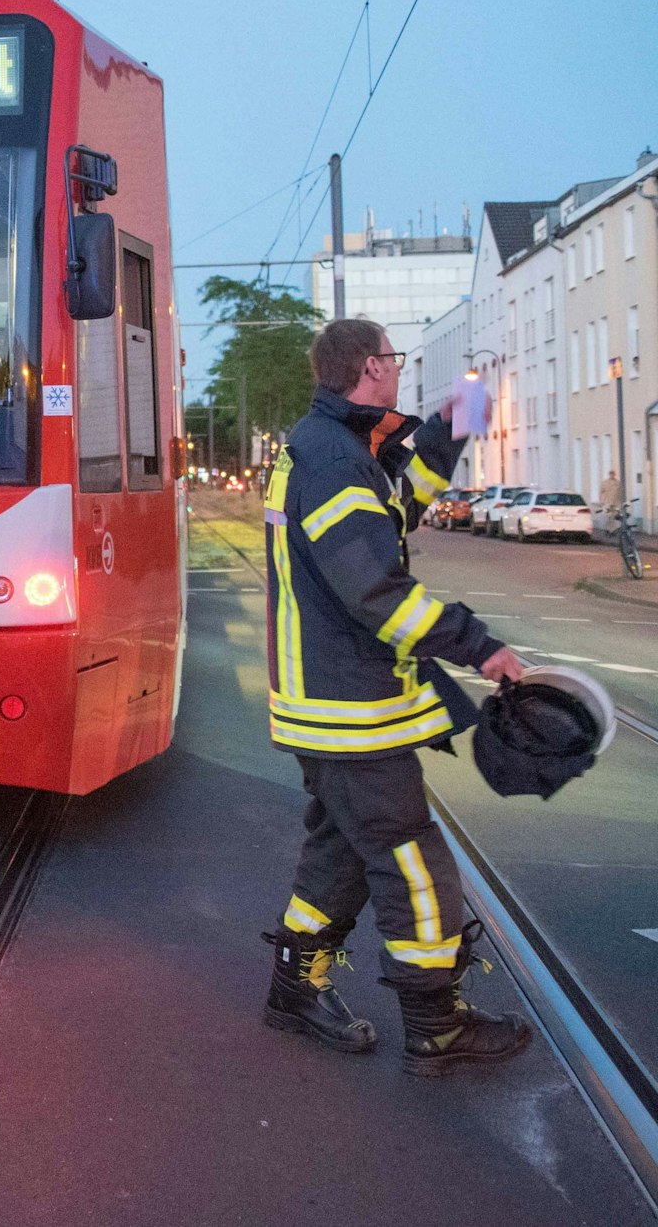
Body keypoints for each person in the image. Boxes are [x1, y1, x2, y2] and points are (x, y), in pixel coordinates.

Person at [261, 318, 531, 1075]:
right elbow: (376, 593)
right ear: (370, 368)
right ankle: (436, 1022)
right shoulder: (334, 464)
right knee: (411, 857)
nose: (400, 371)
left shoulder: (336, 449)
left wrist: (458, 421)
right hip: (349, 712)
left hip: (334, 706)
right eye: (395, 360)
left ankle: (295, 989)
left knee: (342, 852)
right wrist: (481, 646)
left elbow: (399, 506)